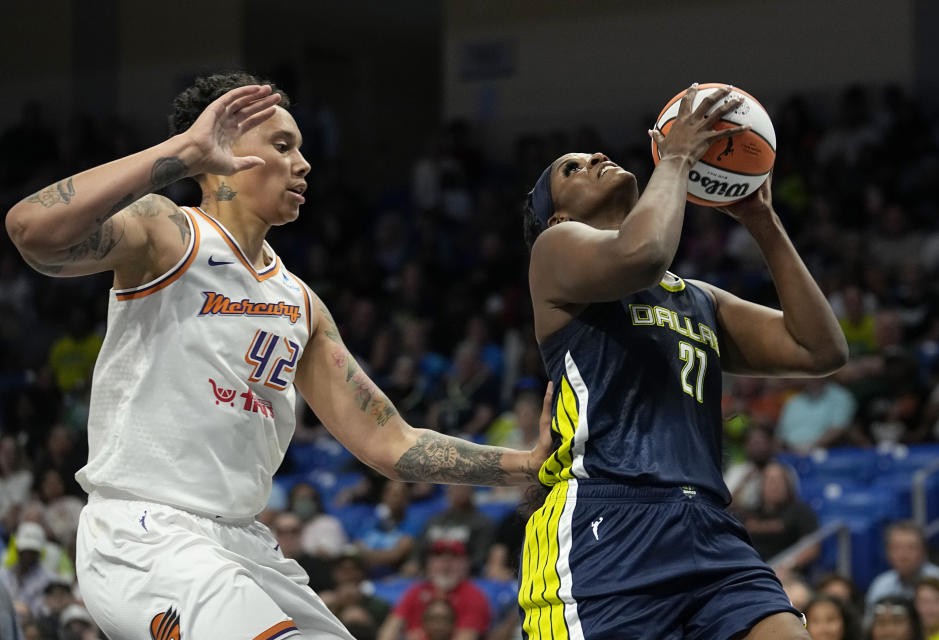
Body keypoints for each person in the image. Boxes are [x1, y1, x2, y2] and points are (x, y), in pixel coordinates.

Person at [5, 72, 554, 639]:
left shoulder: (300, 303)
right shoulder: (166, 233)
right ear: (220, 149)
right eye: (282, 145)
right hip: (147, 534)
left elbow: (391, 443)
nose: (304, 163)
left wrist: (525, 465)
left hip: (243, 543)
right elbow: (31, 230)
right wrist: (182, 152)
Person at [518, 84, 848, 639]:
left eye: (592, 155)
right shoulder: (553, 256)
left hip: (708, 524)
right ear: (555, 220)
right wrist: (676, 157)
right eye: (571, 169)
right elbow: (642, 254)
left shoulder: (698, 297)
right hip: (608, 525)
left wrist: (762, 219)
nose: (597, 158)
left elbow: (820, 350)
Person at [377, 539, 491, 640]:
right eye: (439, 557)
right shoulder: (416, 591)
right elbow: (390, 629)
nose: (446, 564)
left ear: (466, 563)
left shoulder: (473, 596)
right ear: (429, 563)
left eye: (454, 557)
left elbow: (467, 637)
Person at [867, 522, 939, 622]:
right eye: (897, 548)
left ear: (924, 551)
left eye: (911, 547)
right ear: (887, 552)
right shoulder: (881, 586)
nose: (903, 555)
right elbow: (871, 626)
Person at [742, 462, 820, 570]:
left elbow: (812, 547)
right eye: (769, 481)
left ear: (788, 484)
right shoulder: (749, 513)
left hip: (787, 574)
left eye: (779, 480)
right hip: (750, 572)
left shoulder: (800, 511)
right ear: (760, 485)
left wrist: (788, 565)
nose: (774, 485)